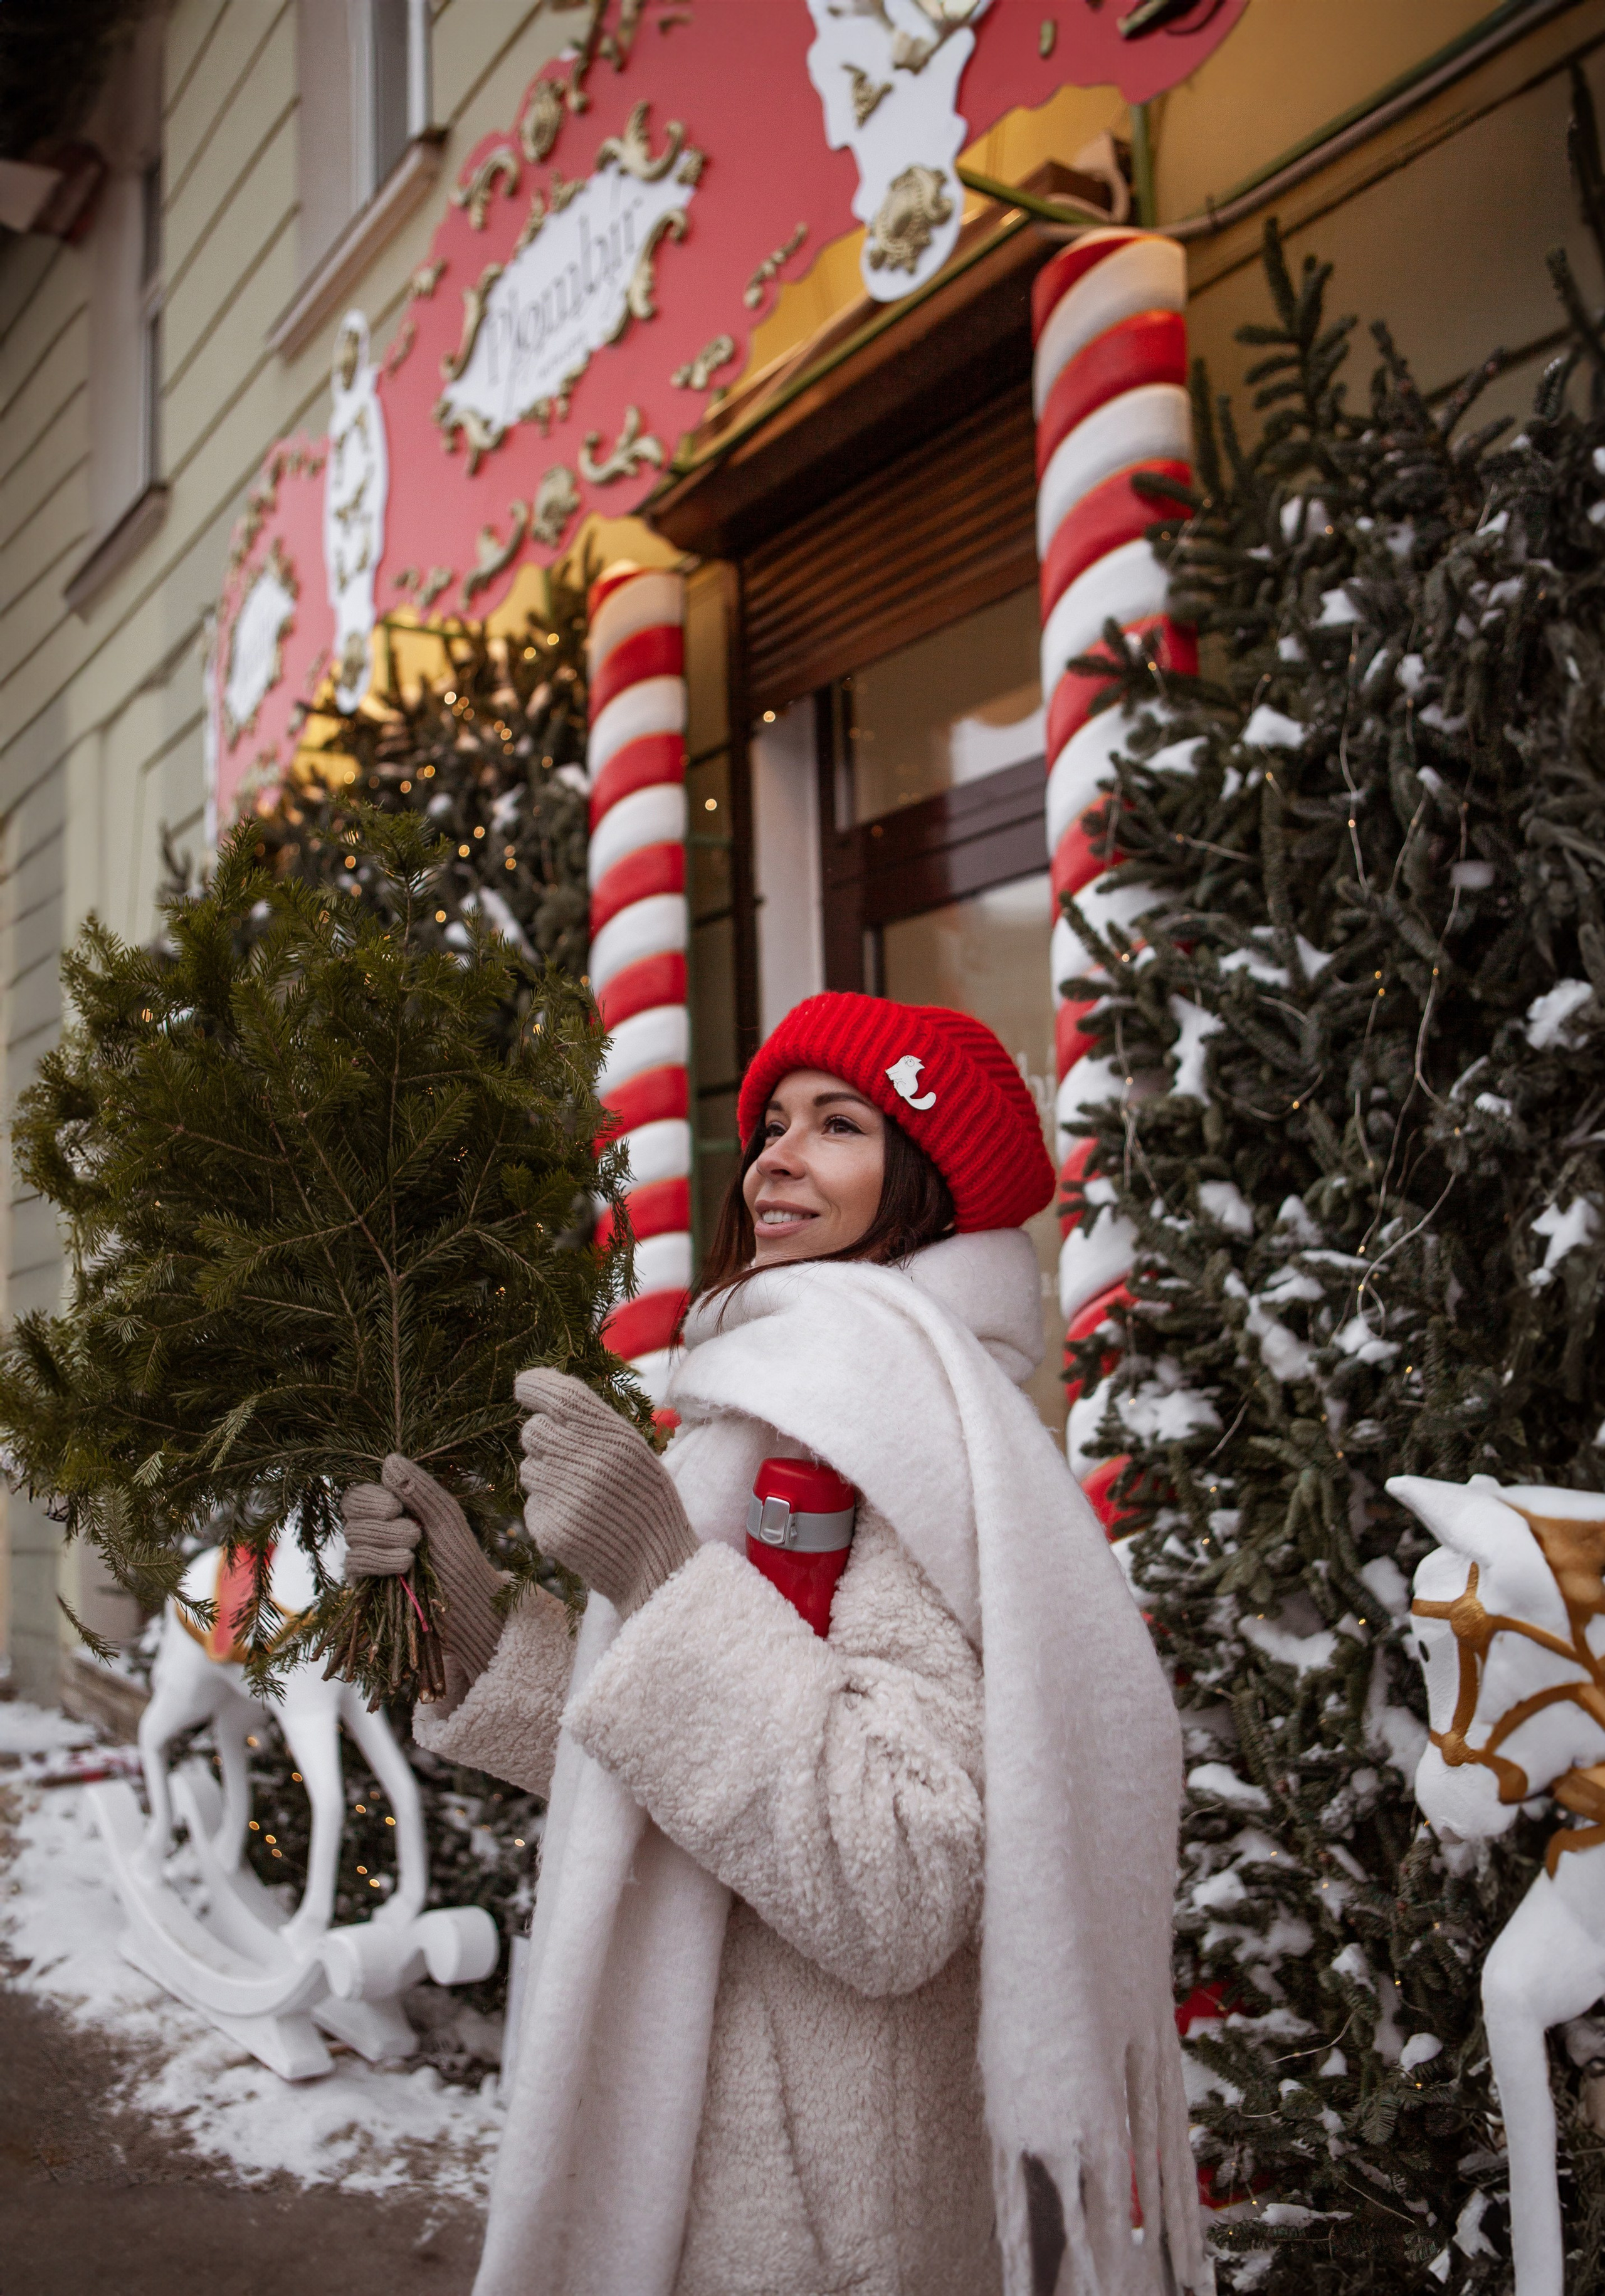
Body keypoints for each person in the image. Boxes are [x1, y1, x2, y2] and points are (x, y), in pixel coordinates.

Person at [341, 992, 1202, 2296]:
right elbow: (698, 1767)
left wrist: (654, 1571)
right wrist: (483, 1639)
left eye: (839, 1123)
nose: (773, 1157)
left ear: (923, 1178)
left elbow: (901, 1878)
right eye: (771, 1123)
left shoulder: (905, 1436)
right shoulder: (776, 1402)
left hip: (820, 2208)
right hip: (721, 2132)